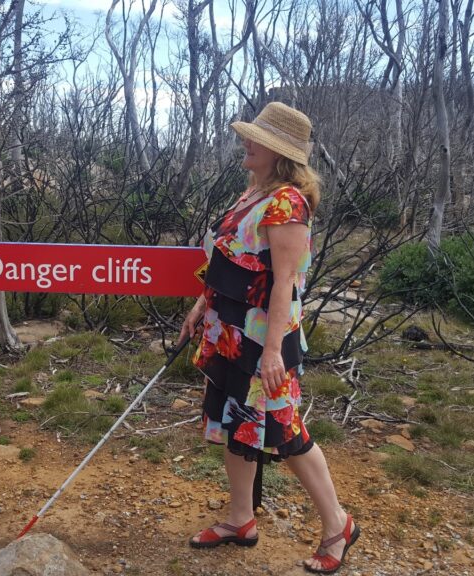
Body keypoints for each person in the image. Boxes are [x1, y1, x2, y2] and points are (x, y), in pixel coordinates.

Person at [180, 102, 360, 574]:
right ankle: (241, 519)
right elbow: (228, 261)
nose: (246, 142)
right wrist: (203, 305)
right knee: (233, 423)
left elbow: (286, 283)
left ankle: (338, 524)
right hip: (228, 334)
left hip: (262, 342)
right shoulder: (253, 193)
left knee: (286, 433)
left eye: (254, 138)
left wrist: (275, 349)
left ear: (277, 151)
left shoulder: (287, 204)